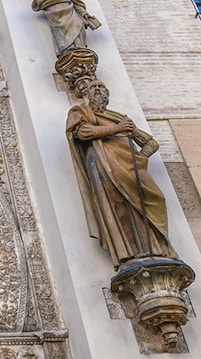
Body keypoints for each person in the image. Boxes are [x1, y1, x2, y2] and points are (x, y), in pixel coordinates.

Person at [65, 81, 173, 267]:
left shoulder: (119, 117)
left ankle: (155, 249)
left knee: (156, 200)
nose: (99, 91)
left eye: (102, 88)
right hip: (104, 164)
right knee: (118, 206)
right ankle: (130, 253)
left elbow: (151, 143)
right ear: (88, 94)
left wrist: (139, 159)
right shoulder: (81, 112)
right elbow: (83, 132)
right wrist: (117, 129)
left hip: (130, 166)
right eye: (94, 88)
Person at [31, 0, 101, 52]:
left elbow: (76, 4)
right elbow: (36, 5)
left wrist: (85, 14)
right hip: (57, 18)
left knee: (79, 25)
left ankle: (80, 46)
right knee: (64, 34)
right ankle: (69, 48)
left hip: (71, 14)